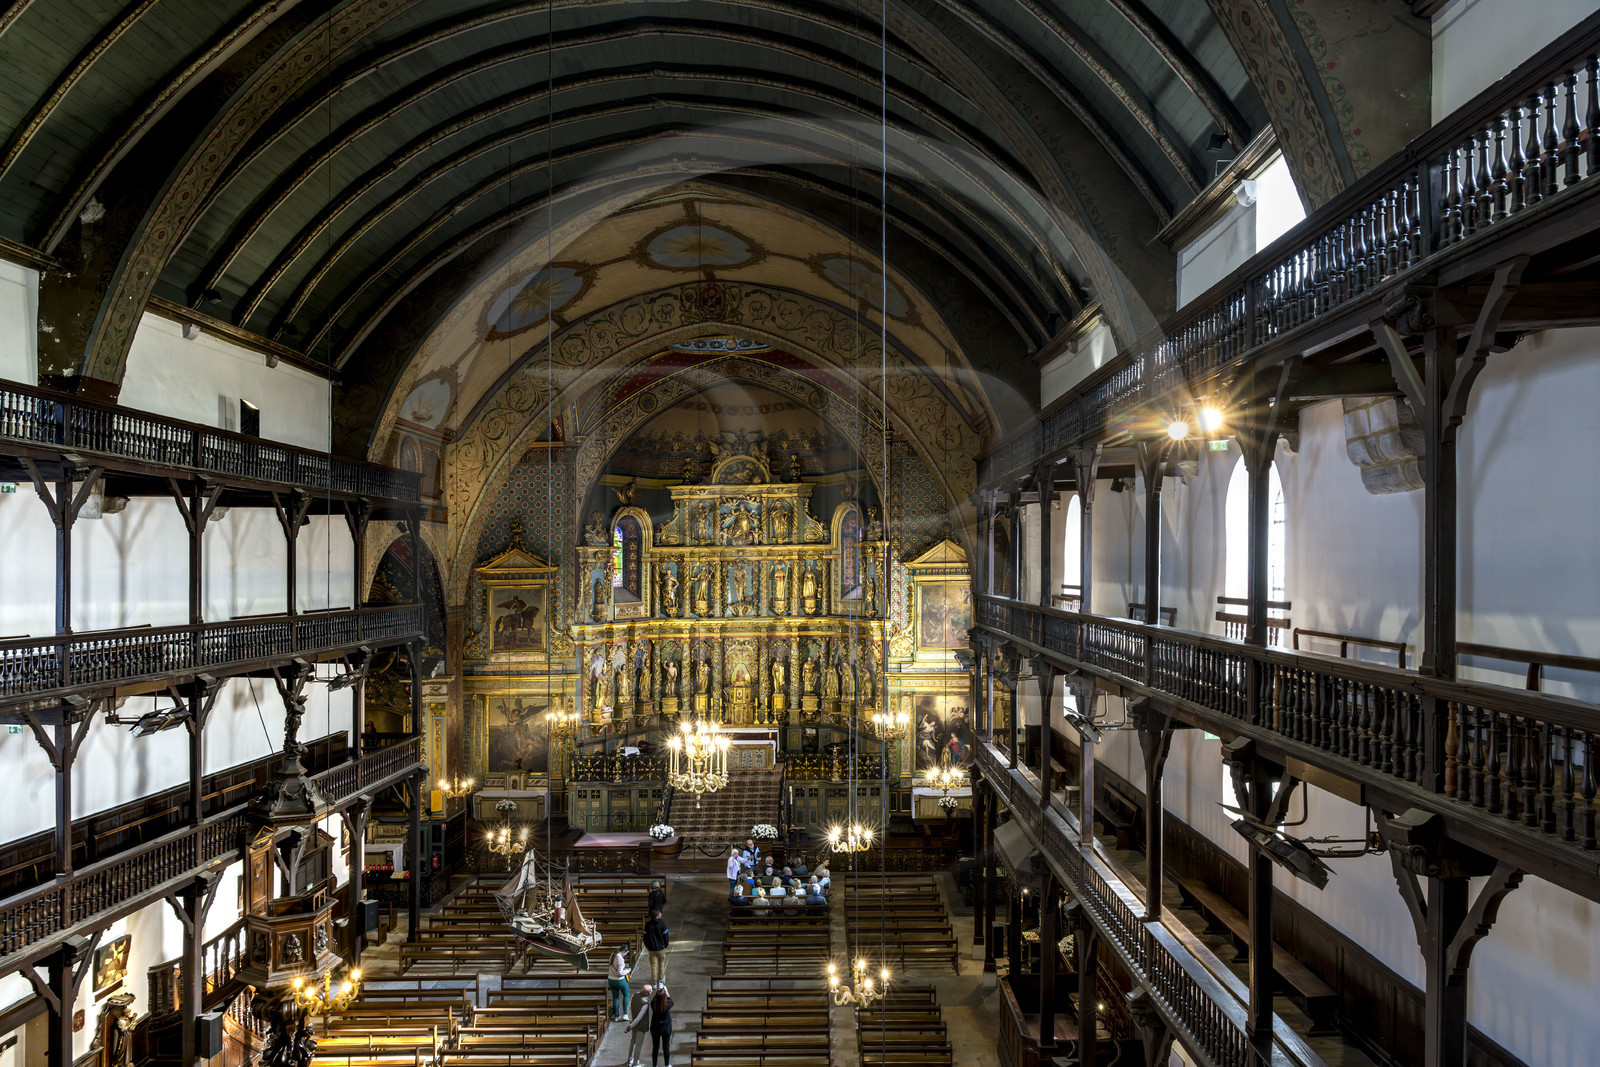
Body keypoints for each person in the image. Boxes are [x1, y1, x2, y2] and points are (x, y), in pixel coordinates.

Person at [626, 983, 654, 1067]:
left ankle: (629, 1059)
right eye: (651, 990)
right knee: (638, 1044)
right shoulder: (645, 1003)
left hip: (633, 1023)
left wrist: (630, 1021)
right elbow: (639, 1018)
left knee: (633, 1041)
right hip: (640, 1026)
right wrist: (631, 1026)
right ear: (647, 993)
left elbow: (629, 1008)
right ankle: (635, 1063)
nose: (652, 991)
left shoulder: (635, 995)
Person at [648, 985, 674, 1067]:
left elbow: (654, 999)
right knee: (666, 1047)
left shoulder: (653, 1004)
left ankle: (654, 1065)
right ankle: (666, 1064)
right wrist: (666, 991)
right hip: (666, 1029)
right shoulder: (668, 1005)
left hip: (655, 1028)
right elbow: (670, 999)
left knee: (655, 1048)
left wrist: (658, 992)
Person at [642, 909, 670, 983]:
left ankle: (654, 982)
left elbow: (645, 936)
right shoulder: (662, 924)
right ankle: (660, 980)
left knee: (653, 966)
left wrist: (647, 945)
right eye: (660, 914)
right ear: (657, 916)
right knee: (661, 963)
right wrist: (666, 945)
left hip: (651, 949)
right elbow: (665, 936)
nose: (661, 914)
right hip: (660, 948)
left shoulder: (648, 925)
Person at [607, 946, 631, 1022]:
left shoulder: (612, 954)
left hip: (611, 979)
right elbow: (620, 973)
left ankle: (616, 1016)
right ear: (624, 951)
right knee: (626, 995)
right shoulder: (620, 959)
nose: (626, 954)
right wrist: (627, 971)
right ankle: (625, 1014)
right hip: (619, 980)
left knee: (615, 997)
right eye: (626, 953)